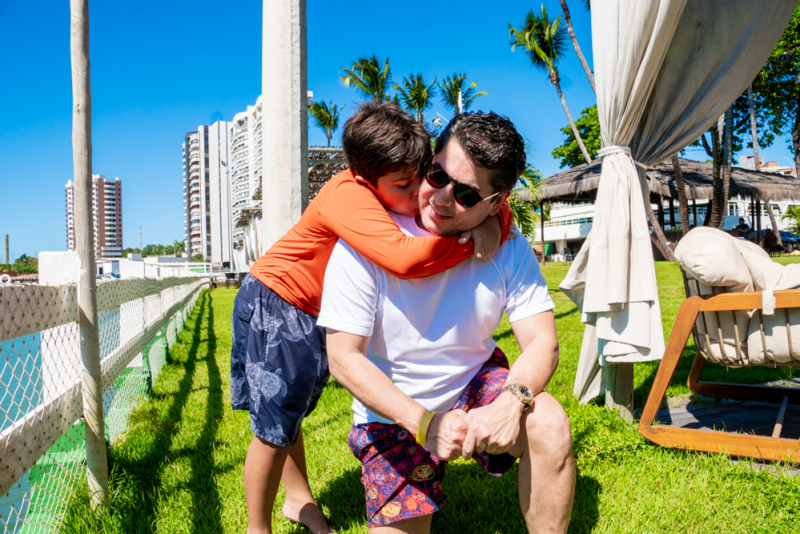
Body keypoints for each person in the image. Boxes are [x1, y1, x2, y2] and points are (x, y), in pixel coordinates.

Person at [231, 101, 513, 534]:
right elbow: (403, 257)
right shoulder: (348, 194)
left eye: (422, 174)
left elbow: (468, 205)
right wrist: (473, 237)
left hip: (315, 307)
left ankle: (298, 499)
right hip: (282, 301)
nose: (417, 193)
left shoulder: (388, 190)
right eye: (404, 184)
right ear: (366, 177)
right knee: (274, 424)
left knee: (291, 409)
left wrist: (497, 217)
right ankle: (257, 527)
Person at [319, 111, 575, 533]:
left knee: (547, 422)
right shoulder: (365, 244)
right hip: (393, 414)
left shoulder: (508, 247)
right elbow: (344, 358)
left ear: (497, 203)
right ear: (429, 161)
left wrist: (510, 405)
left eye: (467, 196)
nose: (441, 198)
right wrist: (425, 423)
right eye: (437, 176)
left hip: (476, 386)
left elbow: (543, 342)